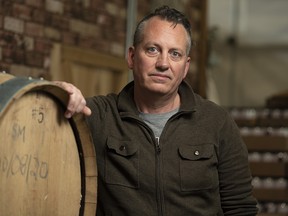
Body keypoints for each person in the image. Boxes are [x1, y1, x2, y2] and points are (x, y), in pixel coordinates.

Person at [56, 5, 258, 216]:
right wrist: (60, 93)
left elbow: (240, 208)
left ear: (185, 67)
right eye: (152, 49)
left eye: (175, 54)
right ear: (132, 57)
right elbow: (44, 112)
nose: (163, 63)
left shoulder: (217, 123)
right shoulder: (98, 117)